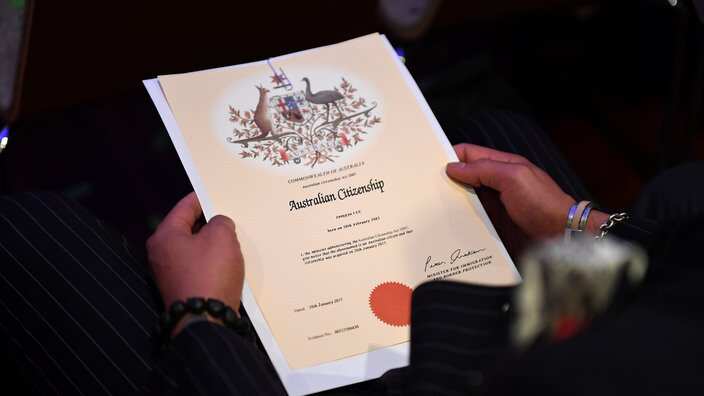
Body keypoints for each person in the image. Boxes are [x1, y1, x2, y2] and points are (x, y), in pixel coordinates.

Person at [1, 111, 702, 395]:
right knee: (481, 128)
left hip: (468, 366)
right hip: (601, 307)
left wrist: (201, 315)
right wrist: (579, 219)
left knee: (29, 232)